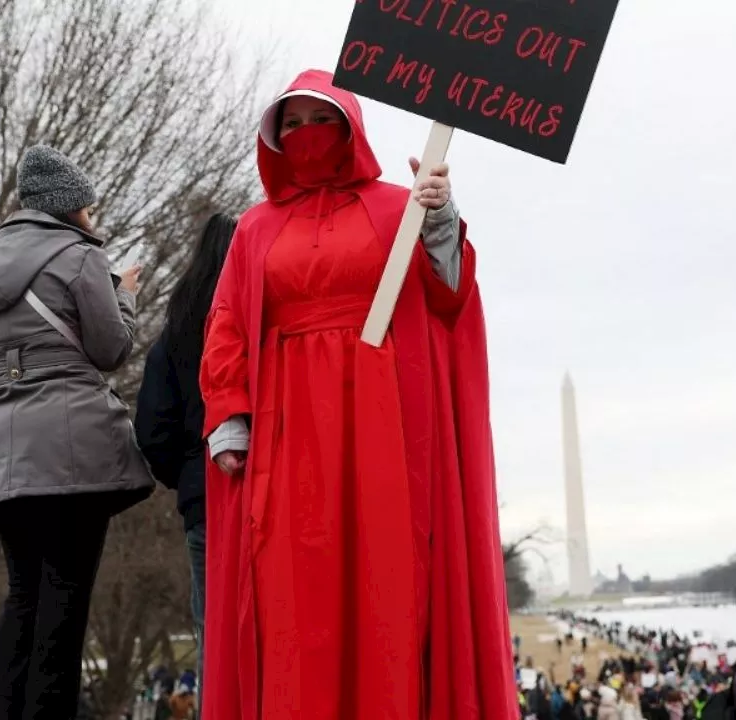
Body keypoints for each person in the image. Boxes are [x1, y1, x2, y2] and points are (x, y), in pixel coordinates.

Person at [200, 69, 515, 719]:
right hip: (288, 434)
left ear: (347, 127)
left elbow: (448, 293)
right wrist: (229, 416)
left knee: (388, 579)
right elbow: (226, 325)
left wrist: (439, 217)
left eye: (318, 118)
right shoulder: (254, 231)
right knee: (293, 586)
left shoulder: (397, 205)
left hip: (382, 421)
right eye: (290, 123)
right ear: (273, 137)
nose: (304, 133)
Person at [0, 144, 155, 719]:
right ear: (70, 207)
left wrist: (4, 413)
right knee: (66, 595)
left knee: (25, 596)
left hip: (1, 454)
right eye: (90, 206)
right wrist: (125, 294)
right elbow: (111, 349)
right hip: (73, 449)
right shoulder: (80, 257)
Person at [134, 211, 238, 713]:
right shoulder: (258, 318)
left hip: (204, 497)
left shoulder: (173, 337)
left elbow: (152, 429)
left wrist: (187, 476)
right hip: (269, 485)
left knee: (212, 630)